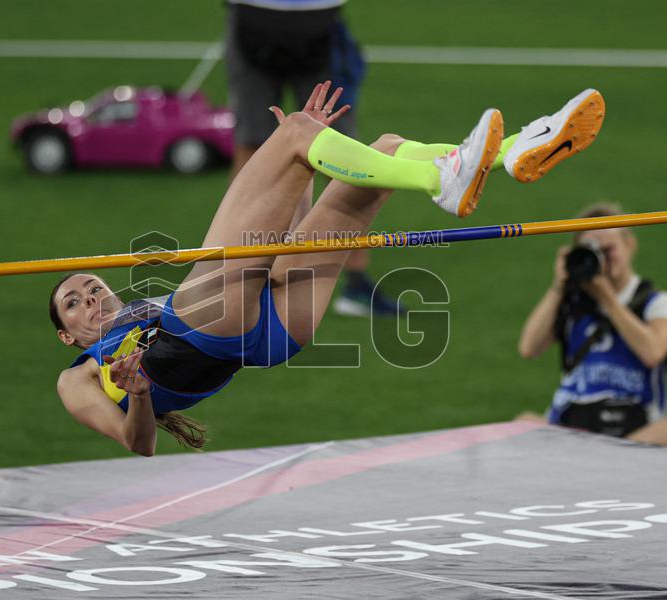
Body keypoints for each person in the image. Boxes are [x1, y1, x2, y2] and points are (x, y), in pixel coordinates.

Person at [53, 82, 605, 455]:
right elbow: (139, 445)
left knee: (384, 148)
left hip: (269, 327)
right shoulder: (78, 377)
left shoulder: (143, 310)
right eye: (73, 303)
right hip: (210, 335)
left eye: (92, 287)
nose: (90, 299)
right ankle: (443, 177)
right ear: (66, 335)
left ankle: (516, 150)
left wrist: (304, 171)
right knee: (295, 132)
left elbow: (276, 251)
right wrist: (140, 392)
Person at [224, 0, 402, 316]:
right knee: (252, 149)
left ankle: (356, 283)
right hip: (253, 22)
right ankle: (233, 277)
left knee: (342, 153)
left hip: (318, 26)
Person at [517, 202, 667, 447]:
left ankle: (603, 456)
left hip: (634, 429)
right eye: (594, 252)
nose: (603, 259)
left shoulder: (656, 302)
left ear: (630, 245)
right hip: (572, 423)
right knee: (523, 423)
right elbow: (528, 348)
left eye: (609, 249)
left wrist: (607, 299)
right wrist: (558, 287)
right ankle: (599, 458)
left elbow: (654, 352)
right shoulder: (572, 303)